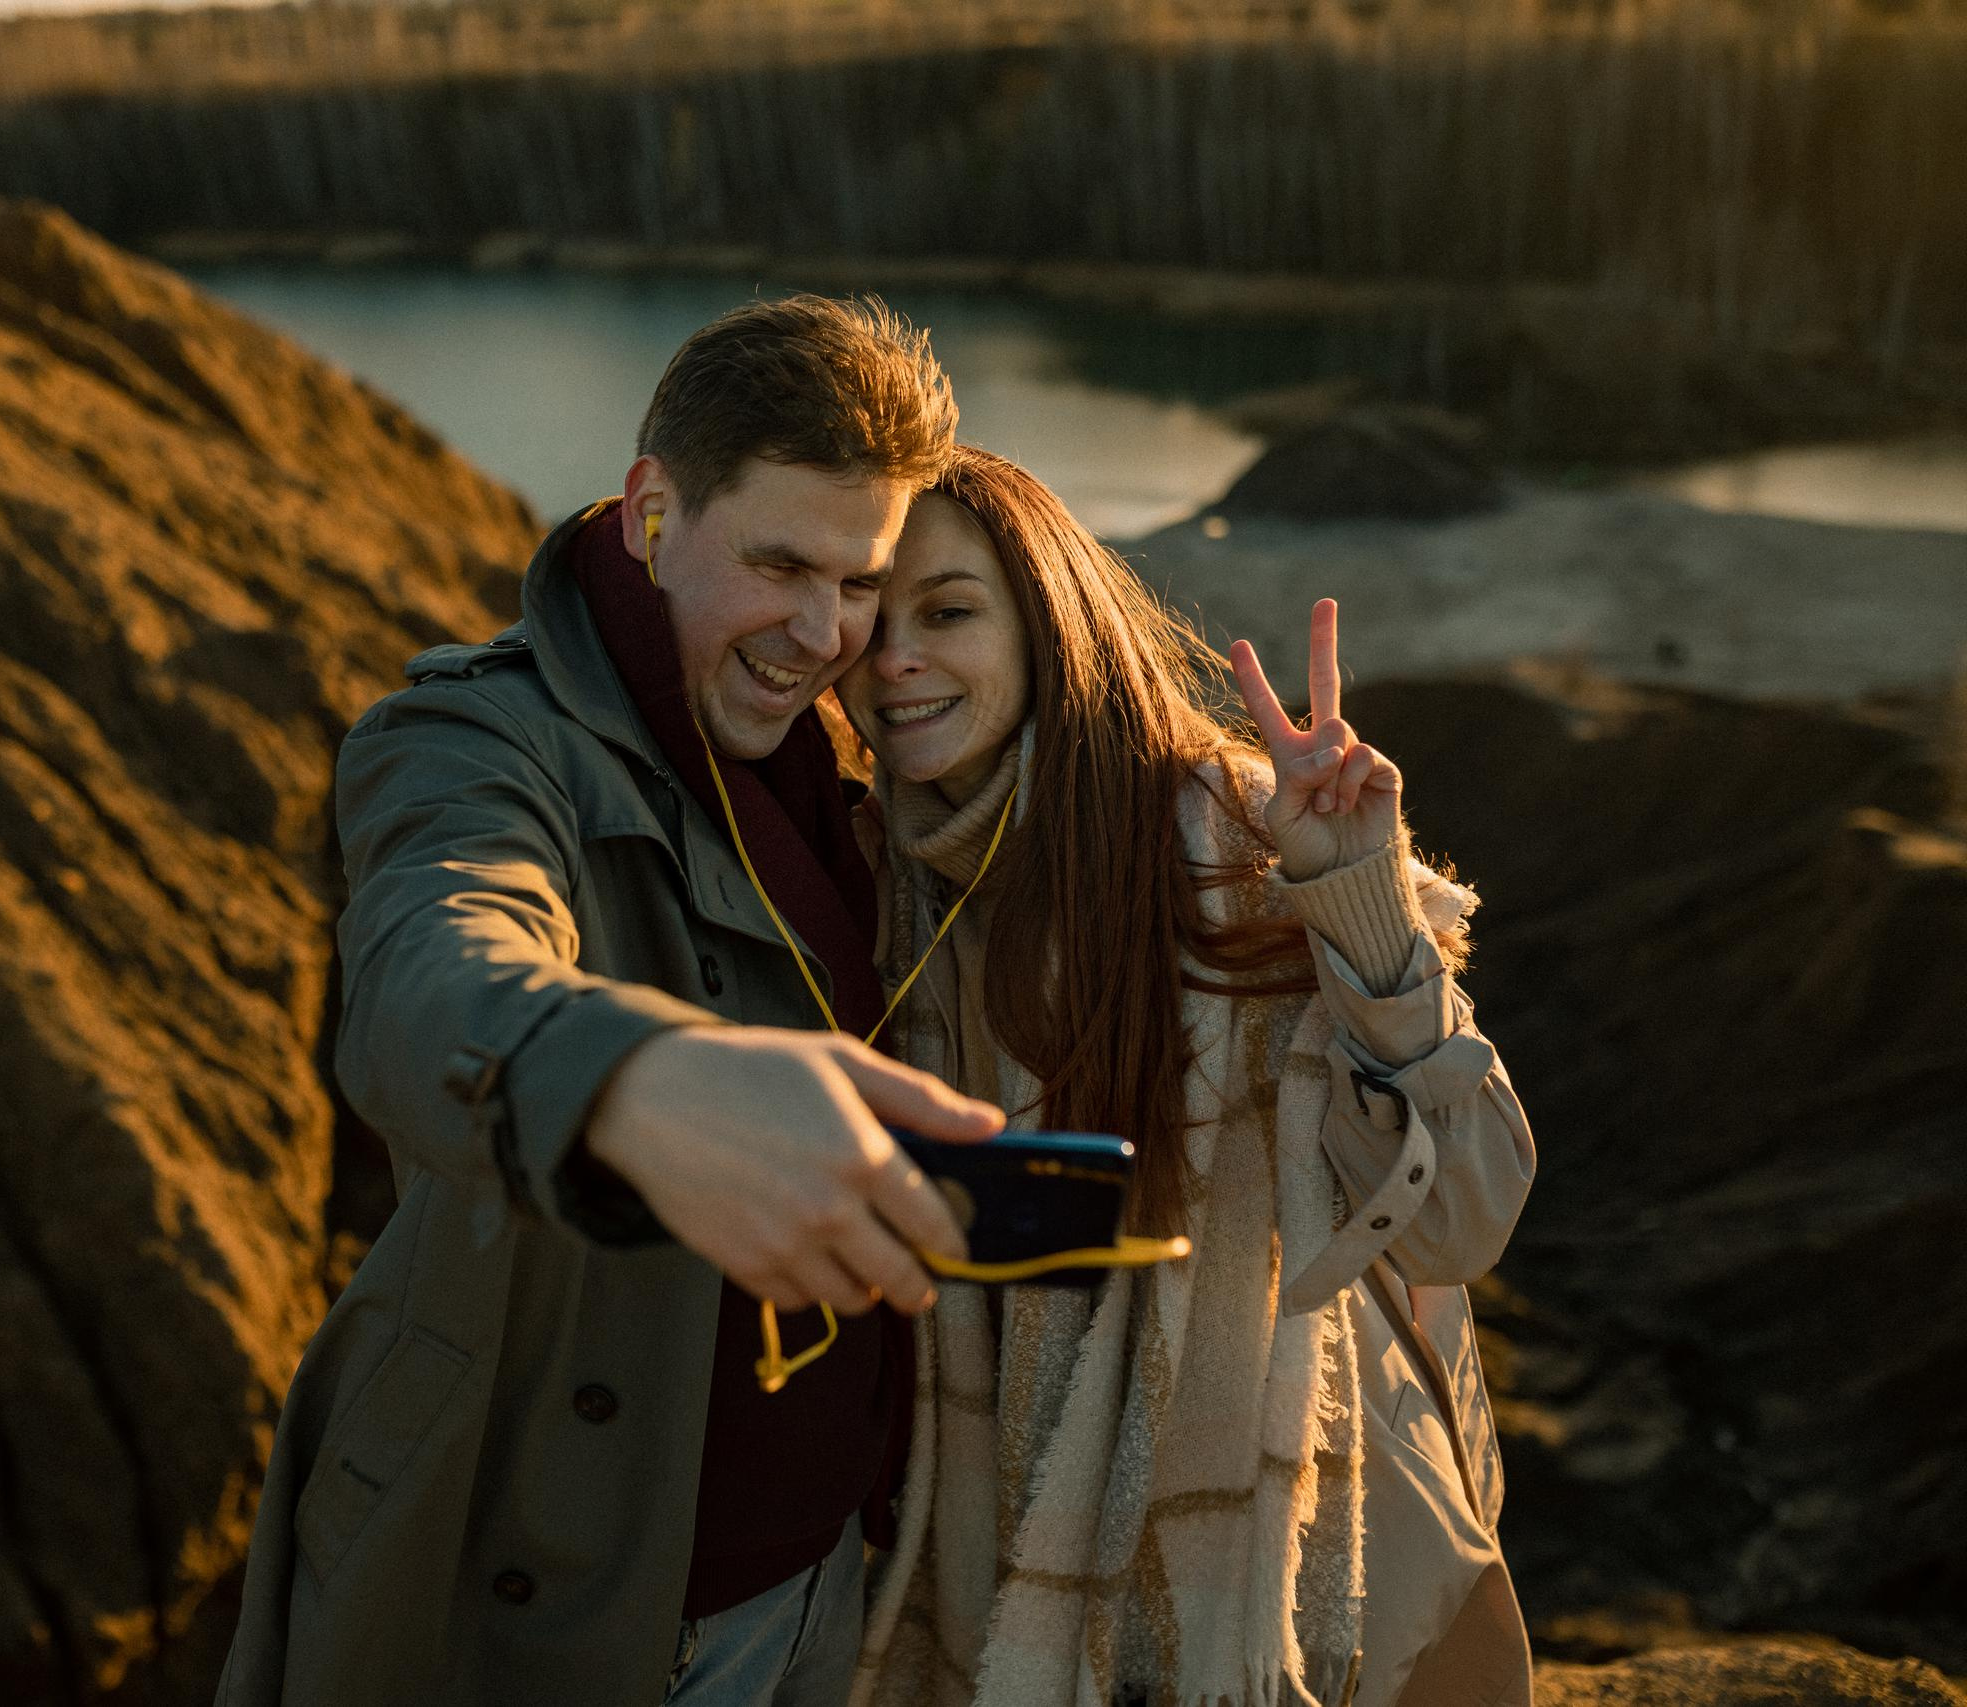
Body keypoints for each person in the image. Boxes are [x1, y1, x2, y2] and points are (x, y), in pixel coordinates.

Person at [212, 295, 1014, 1707]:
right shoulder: (470, 737)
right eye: (778, 563)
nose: (824, 633)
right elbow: (431, 960)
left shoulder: (840, 769)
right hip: (584, 1611)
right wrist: (635, 1080)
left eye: (861, 578)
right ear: (652, 510)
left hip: (832, 1578)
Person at [835, 450, 1537, 1707]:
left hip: (1322, 1582)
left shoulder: (1234, 841)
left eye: (945, 611)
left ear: (1045, 618)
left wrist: (1360, 905)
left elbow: (1462, 1219)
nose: (893, 660)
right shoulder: (884, 891)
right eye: (870, 620)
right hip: (1010, 1532)